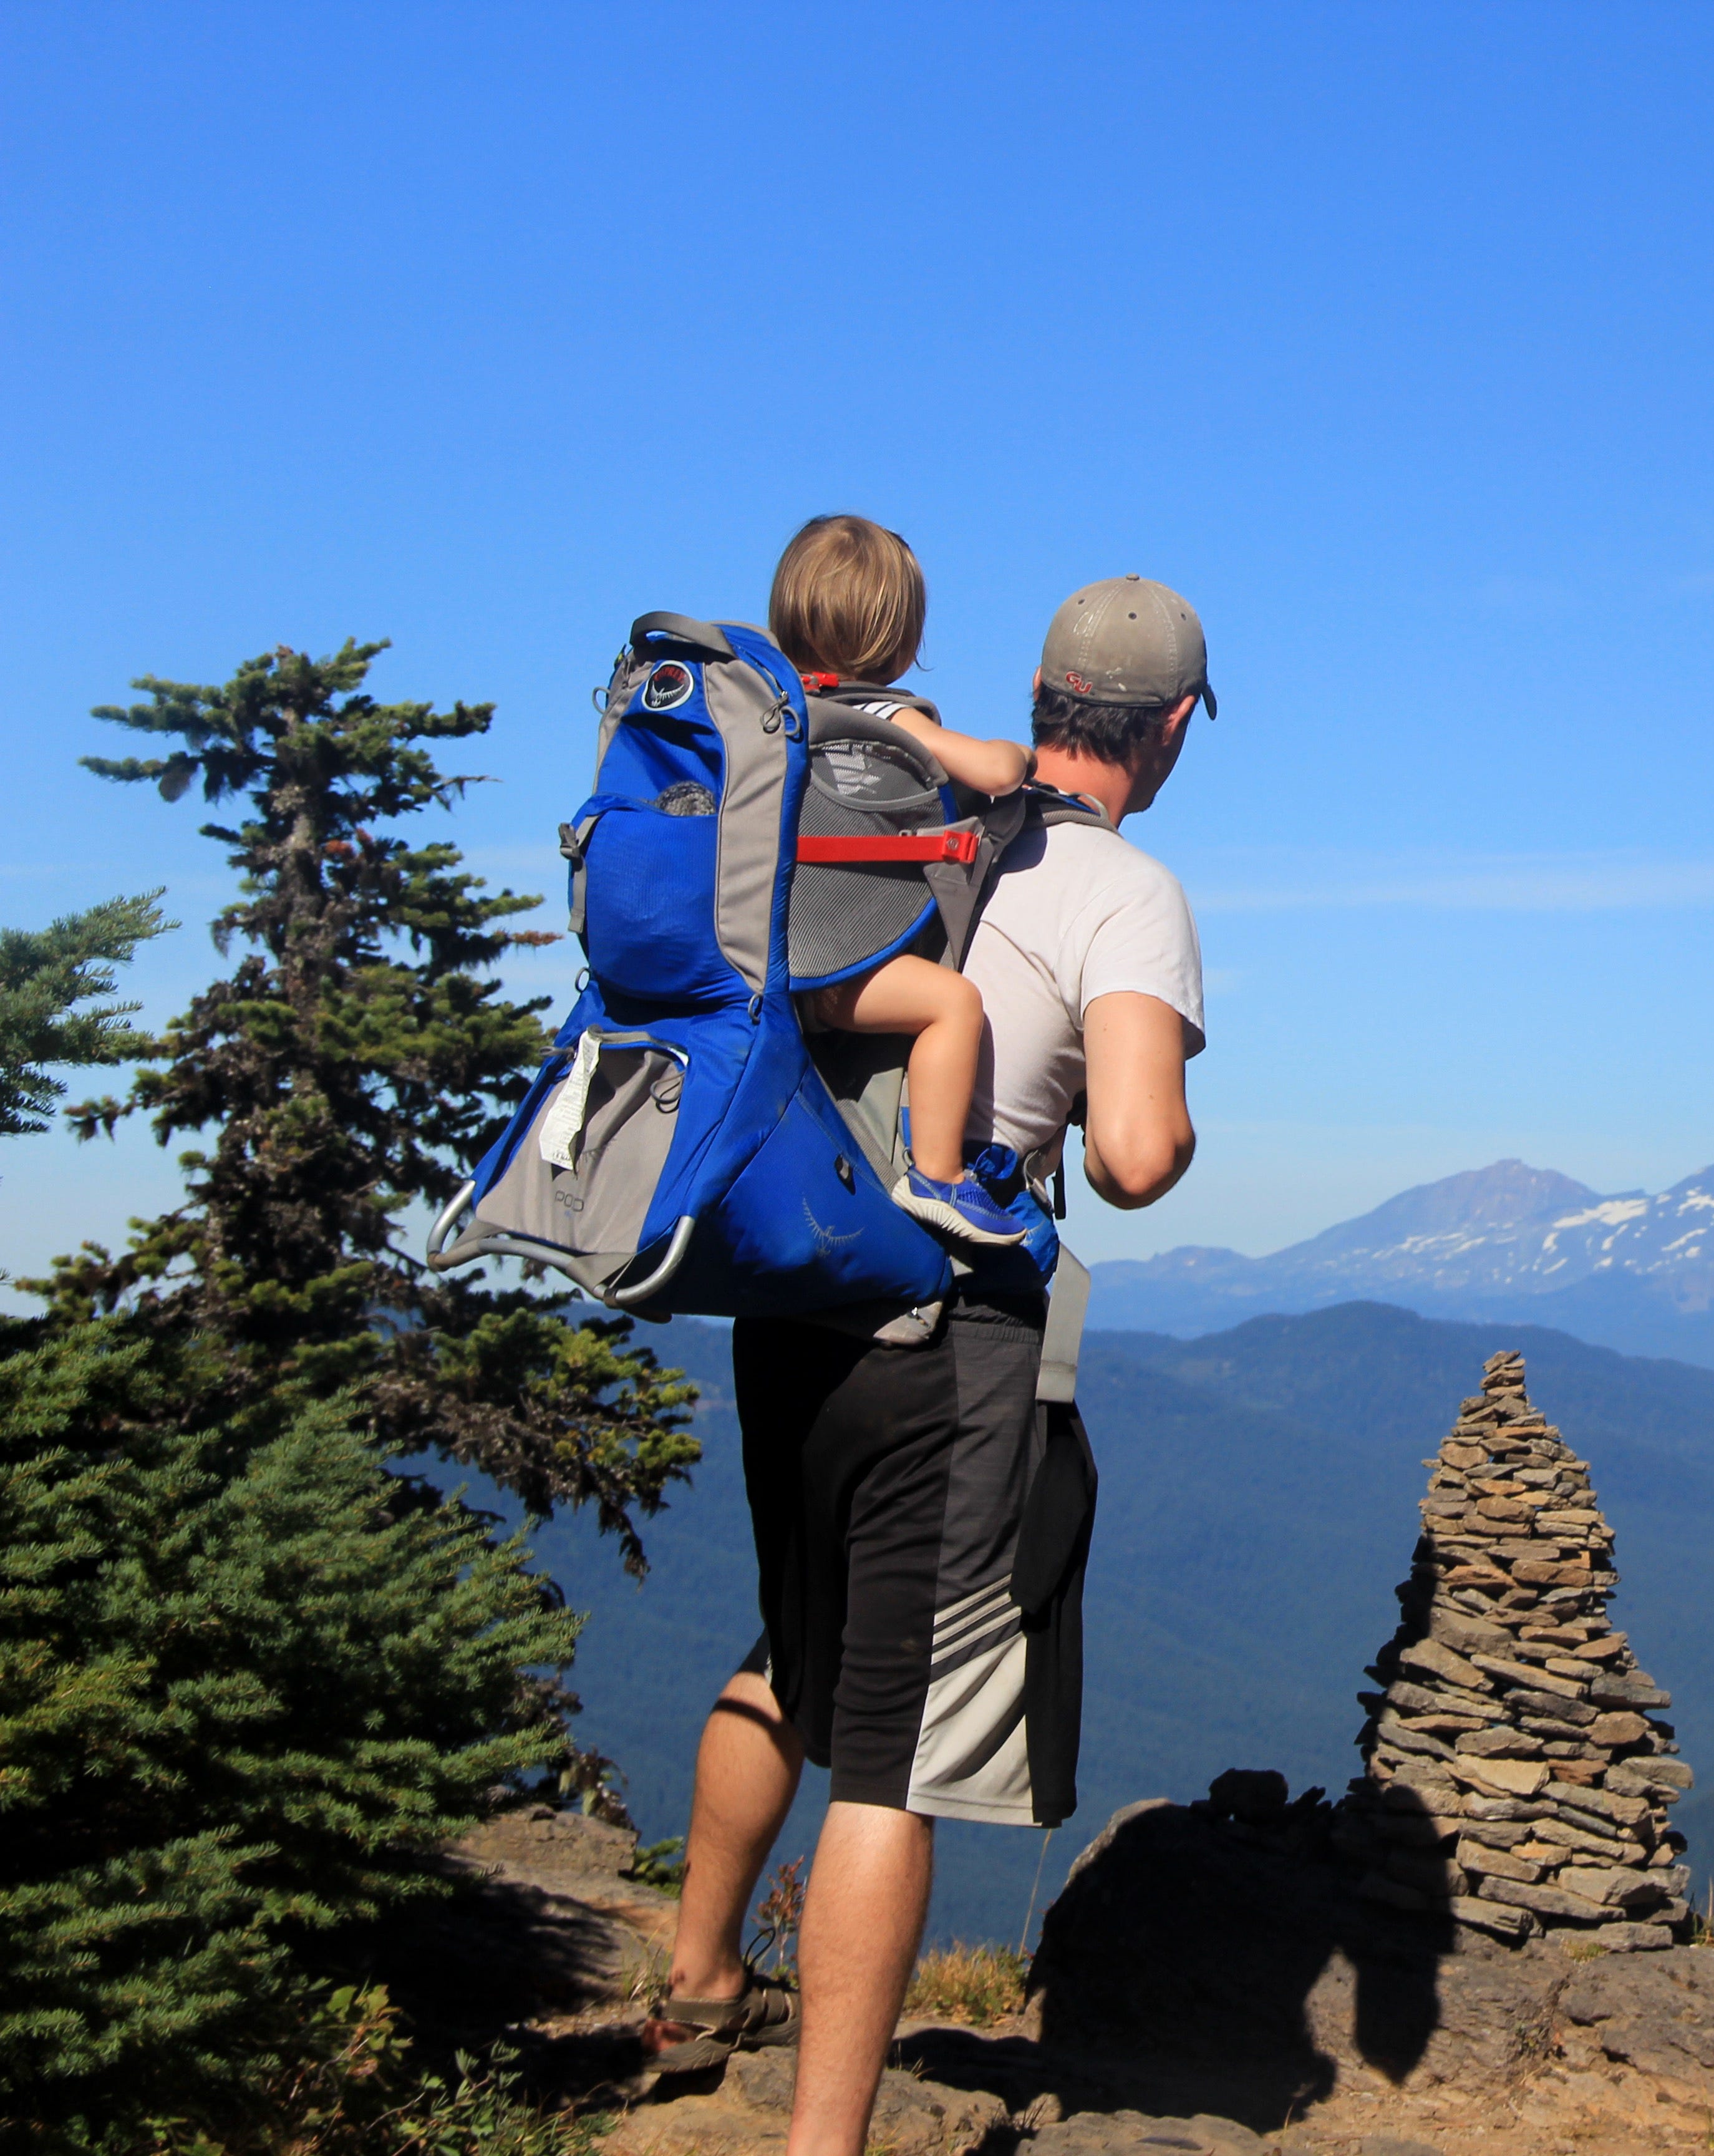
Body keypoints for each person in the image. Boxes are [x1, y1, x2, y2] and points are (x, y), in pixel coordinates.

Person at [651, 575, 1214, 2156]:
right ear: (1170, 727)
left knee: (794, 1647)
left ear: (1040, 696)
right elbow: (1133, 1150)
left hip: (792, 1286)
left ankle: (697, 1979)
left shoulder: (877, 793)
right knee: (891, 1751)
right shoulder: (1122, 886)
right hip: (945, 1330)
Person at [767, 513, 1041, 1248]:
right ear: (904, 640)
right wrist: (1019, 752)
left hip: (755, 964)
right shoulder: (880, 719)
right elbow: (994, 772)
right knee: (953, 1004)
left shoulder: (768, 717)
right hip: (840, 973)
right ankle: (940, 1174)